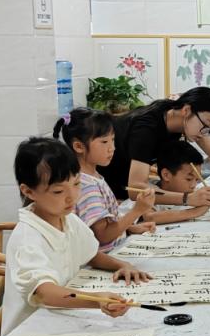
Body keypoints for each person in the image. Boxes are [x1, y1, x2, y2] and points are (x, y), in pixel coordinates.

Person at [2, 138, 151, 336]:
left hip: (61, 319)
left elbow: (91, 254)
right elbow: (45, 292)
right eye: (58, 191)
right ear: (29, 191)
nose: (72, 196)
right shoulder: (28, 238)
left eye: (77, 184)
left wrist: (122, 265)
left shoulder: (68, 219)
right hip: (30, 333)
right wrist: (96, 300)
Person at [98, 87, 210, 207]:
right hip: (107, 187)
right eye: (206, 125)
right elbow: (135, 189)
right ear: (186, 110)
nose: (205, 134)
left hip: (123, 187)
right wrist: (188, 199)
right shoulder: (146, 128)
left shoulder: (177, 115)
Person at [54, 107, 156, 252]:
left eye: (113, 140)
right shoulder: (85, 185)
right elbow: (103, 236)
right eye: (104, 142)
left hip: (115, 248)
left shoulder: (93, 176)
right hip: (107, 256)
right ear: (79, 146)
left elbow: (105, 224)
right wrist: (137, 210)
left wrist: (128, 228)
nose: (112, 148)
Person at [139, 141, 210, 225]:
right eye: (189, 179)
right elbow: (150, 217)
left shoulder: (185, 190)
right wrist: (195, 212)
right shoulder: (150, 192)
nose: (193, 185)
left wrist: (207, 199)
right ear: (166, 175)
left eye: (197, 179)